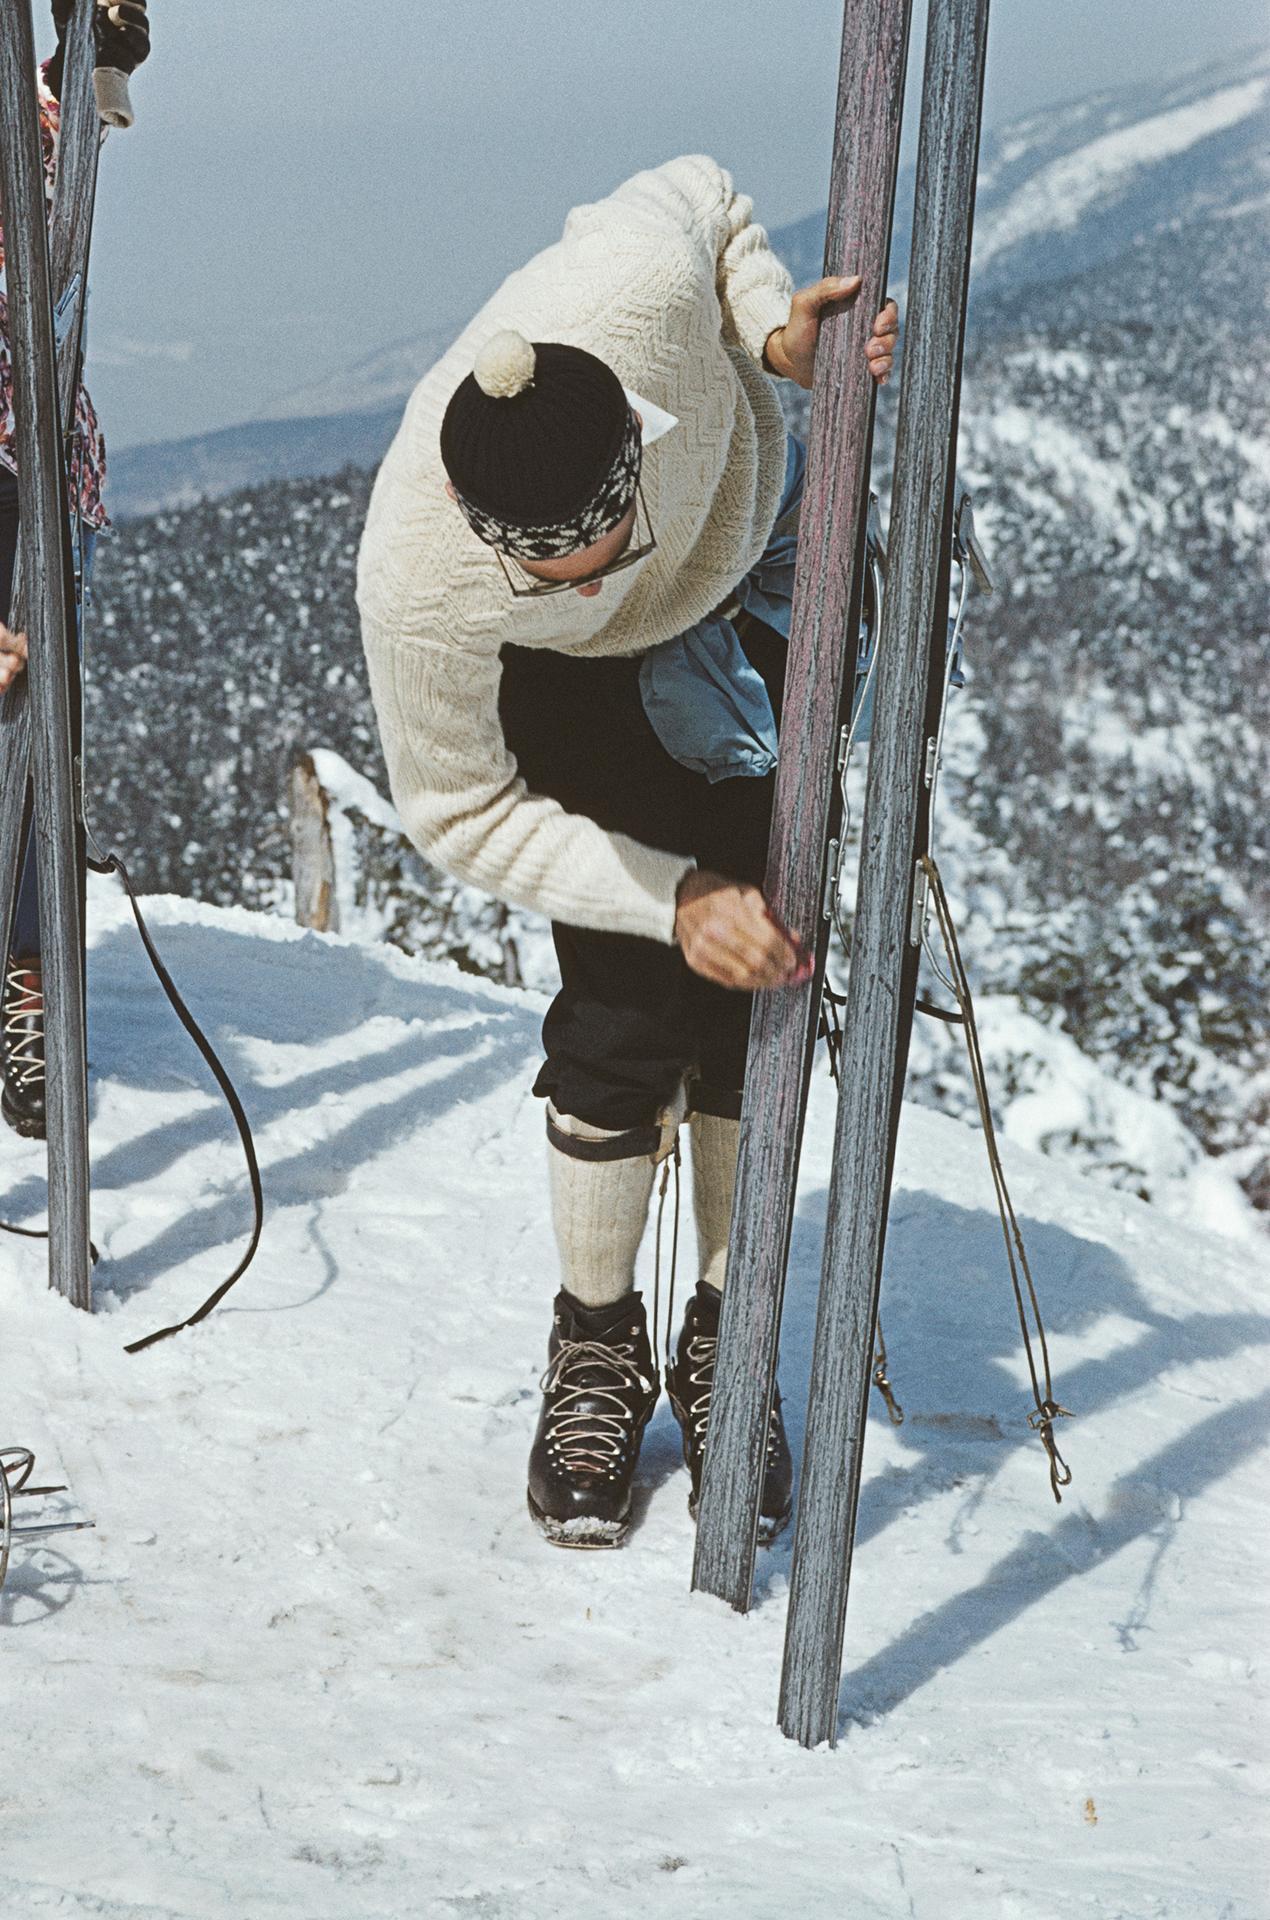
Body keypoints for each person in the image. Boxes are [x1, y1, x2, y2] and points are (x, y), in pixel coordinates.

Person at [358, 154, 897, 1548]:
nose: (596, 572)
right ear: (488, 542)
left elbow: (702, 190)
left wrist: (774, 330)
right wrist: (670, 896)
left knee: (755, 988)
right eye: (558, 563)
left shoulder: (637, 292)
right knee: (621, 1003)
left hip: (749, 567)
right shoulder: (420, 582)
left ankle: (723, 1329)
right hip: (571, 695)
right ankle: (598, 1337)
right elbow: (457, 813)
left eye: (605, 533)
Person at [0, 0, 150, 1140]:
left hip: (35, 459)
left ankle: (26, 976)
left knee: (33, 743)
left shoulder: (26, 101)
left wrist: (93, 44)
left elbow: (60, 159)